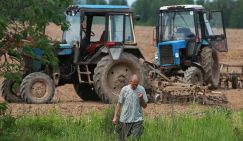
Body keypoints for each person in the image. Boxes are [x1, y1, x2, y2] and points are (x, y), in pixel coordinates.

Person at [112, 74, 148, 141]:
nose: (135, 86)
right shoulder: (124, 90)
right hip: (125, 119)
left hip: (137, 119)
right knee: (121, 138)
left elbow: (145, 106)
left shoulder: (141, 89)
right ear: (130, 82)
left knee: (135, 139)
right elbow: (119, 104)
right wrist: (115, 116)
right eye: (134, 84)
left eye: (136, 84)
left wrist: (141, 98)